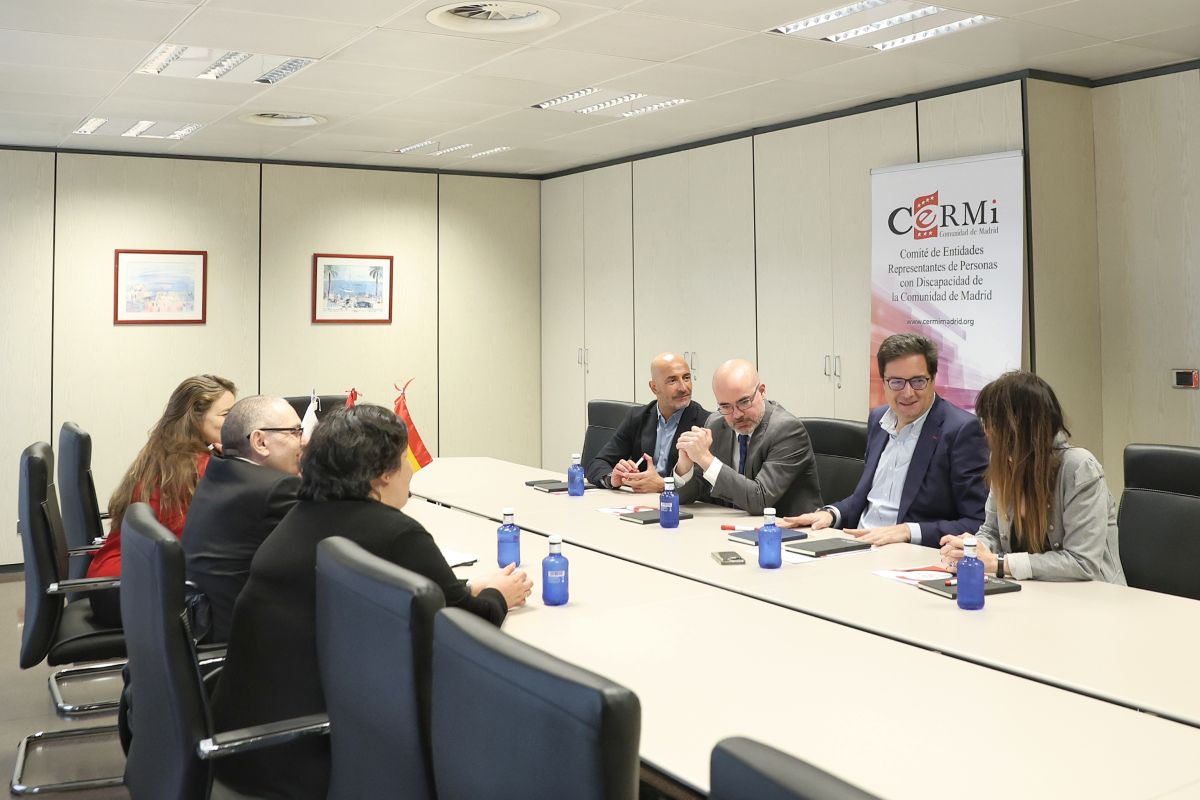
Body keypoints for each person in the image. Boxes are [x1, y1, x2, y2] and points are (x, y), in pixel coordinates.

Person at [210, 404, 533, 799]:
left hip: (245, 740)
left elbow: (417, 593)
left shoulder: (303, 516)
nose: (412, 470)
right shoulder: (396, 534)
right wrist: (501, 594)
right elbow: (465, 631)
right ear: (382, 474)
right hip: (305, 754)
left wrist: (465, 586)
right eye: (404, 458)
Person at [781, 334, 988, 547]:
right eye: (897, 382)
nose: (907, 393)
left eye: (918, 381)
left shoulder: (961, 430)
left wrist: (908, 531)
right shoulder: (878, 419)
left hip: (907, 554)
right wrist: (831, 514)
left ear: (933, 379)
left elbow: (977, 522)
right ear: (884, 383)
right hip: (857, 542)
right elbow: (872, 498)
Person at [939, 371, 1125, 583]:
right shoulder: (1003, 461)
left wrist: (997, 563)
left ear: (1016, 424)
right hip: (1033, 594)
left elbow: (1082, 563)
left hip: (1091, 599)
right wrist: (974, 548)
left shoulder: (1079, 467)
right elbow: (990, 531)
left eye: (990, 421)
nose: (985, 429)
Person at [86, 374, 236, 627]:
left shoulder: (164, 454)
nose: (235, 423)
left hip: (113, 582)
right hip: (133, 590)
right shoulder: (200, 469)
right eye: (226, 415)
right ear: (195, 418)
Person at [182, 395, 304, 643]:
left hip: (203, 626)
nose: (304, 441)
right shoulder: (276, 489)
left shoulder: (221, 470)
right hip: (241, 646)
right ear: (260, 441)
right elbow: (326, 549)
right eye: (295, 432)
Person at [672, 359, 821, 516]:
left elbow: (760, 500)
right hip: (735, 527)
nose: (737, 415)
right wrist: (685, 465)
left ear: (762, 391)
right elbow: (683, 497)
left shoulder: (787, 430)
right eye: (725, 406)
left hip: (789, 530)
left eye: (744, 402)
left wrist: (705, 458)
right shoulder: (716, 424)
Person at [586, 352, 709, 492]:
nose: (683, 387)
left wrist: (663, 485)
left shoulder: (705, 423)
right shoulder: (637, 417)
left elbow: (707, 485)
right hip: (641, 503)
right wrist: (612, 478)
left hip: (681, 506)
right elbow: (597, 463)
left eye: (686, 378)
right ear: (654, 387)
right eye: (672, 381)